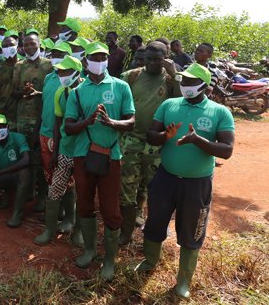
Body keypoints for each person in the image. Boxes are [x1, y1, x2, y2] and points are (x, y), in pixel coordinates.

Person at [139, 63, 234, 298]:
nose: (186, 85)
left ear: (204, 85)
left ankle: (183, 281)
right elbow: (151, 134)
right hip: (166, 177)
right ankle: (150, 261)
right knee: (155, 222)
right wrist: (164, 136)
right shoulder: (168, 105)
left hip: (197, 183)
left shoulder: (219, 112)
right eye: (184, 81)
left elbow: (226, 150)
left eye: (192, 82)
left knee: (192, 231)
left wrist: (197, 140)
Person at [64, 42, 135, 280]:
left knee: (110, 209)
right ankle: (90, 250)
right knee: (84, 204)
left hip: (111, 156)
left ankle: (109, 260)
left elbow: (131, 121)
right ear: (86, 61)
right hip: (83, 155)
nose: (99, 60)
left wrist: (111, 123)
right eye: (94, 57)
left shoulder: (121, 86)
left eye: (103, 56)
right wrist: (88, 120)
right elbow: (69, 127)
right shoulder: (77, 91)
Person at [116, 41, 177, 245]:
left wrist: (175, 74)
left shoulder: (170, 80)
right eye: (149, 59)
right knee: (127, 187)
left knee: (154, 188)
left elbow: (180, 101)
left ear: (166, 58)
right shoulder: (131, 76)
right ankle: (126, 231)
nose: (152, 63)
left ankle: (151, 233)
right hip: (131, 139)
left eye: (158, 59)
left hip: (157, 143)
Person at [34, 55, 83, 245]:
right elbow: (57, 122)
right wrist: (55, 151)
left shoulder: (86, 92)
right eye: (60, 71)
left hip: (83, 151)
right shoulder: (60, 93)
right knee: (55, 189)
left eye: (65, 71)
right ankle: (50, 230)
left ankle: (77, 228)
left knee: (82, 190)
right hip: (64, 149)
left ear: (77, 72)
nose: (61, 74)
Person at [10, 32, 53, 213]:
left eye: (32, 44)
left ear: (39, 44)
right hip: (22, 118)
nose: (29, 47)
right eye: (26, 45)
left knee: (41, 160)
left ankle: (42, 196)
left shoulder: (49, 65)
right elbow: (14, 92)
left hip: (41, 118)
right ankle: (28, 192)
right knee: (25, 157)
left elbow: (50, 92)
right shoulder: (19, 65)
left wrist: (37, 92)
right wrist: (25, 92)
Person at [0, 32, 20, 132]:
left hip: (23, 114)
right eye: (5, 46)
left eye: (11, 45)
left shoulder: (25, 65)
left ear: (17, 46)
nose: (8, 48)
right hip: (4, 114)